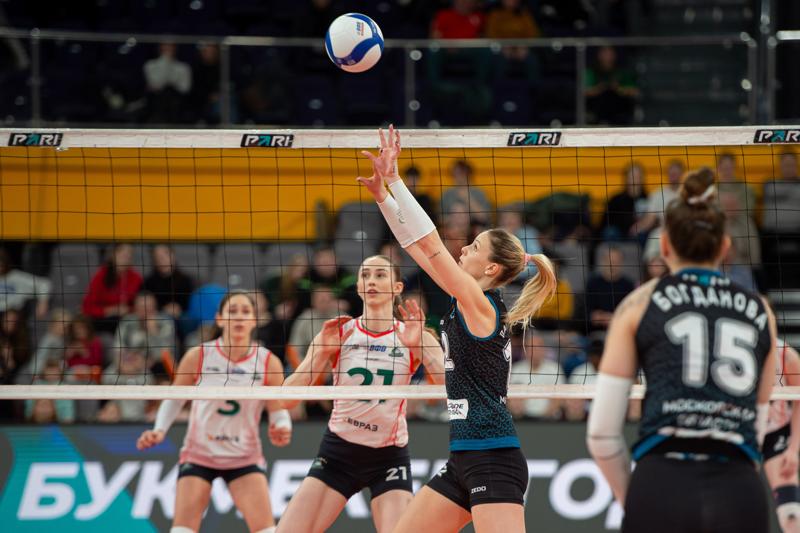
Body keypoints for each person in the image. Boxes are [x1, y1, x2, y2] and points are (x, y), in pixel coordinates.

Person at [357, 126, 557, 533]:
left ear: (491, 268)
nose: (464, 248)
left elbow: (432, 245)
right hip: (463, 458)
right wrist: (383, 198)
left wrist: (396, 180)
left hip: (494, 457)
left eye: (474, 246)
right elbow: (416, 247)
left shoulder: (481, 304)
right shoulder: (463, 297)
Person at [586, 167, 776, 533]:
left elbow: (601, 435)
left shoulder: (638, 304)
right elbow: (757, 427)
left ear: (664, 245)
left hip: (661, 481)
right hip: (738, 486)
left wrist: (634, 502)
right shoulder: (760, 310)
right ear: (724, 247)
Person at [276, 255, 445, 533]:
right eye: (365, 275)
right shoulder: (339, 333)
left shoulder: (415, 335)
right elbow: (286, 399)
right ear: (358, 287)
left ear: (397, 288)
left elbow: (449, 389)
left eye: (380, 275)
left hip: (388, 457)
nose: (372, 281)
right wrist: (321, 355)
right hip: (338, 453)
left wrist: (421, 349)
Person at [136, 291, 291, 533]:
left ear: (254, 320)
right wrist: (159, 430)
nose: (238, 317)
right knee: (182, 530)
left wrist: (282, 426)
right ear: (219, 318)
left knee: (267, 530)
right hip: (200, 454)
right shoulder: (198, 356)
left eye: (245, 312)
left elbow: (277, 408)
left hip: (243, 456)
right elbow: (175, 399)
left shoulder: (267, 361)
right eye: (232, 311)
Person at [764, 339, 800, 533]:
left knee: (791, 513)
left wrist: (793, 448)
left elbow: (799, 397)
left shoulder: (785, 354)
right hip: (742, 433)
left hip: (775, 432)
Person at [82, 243, 143, 334]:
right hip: (103, 320)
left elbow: (141, 306)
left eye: (129, 253)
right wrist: (110, 310)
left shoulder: (136, 278)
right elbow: (87, 307)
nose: (126, 256)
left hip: (127, 321)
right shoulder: (101, 275)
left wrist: (128, 310)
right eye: (122, 252)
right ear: (113, 254)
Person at [143, 245, 195, 320]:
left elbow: (190, 304)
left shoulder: (186, 280)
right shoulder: (148, 282)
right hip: (156, 317)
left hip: (181, 317)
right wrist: (163, 310)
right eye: (157, 256)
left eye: (165, 254)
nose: (161, 259)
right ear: (153, 260)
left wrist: (178, 309)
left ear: (173, 255)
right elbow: (144, 304)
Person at [0, 248, 50, 318]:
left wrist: (43, 302)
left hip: (13, 314)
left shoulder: (16, 277)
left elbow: (44, 284)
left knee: (11, 317)